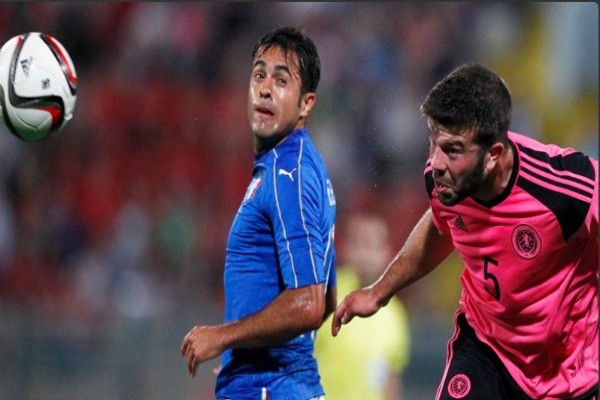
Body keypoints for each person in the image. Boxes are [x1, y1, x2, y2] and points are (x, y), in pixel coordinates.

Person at [331, 63, 599, 400]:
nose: (436, 162)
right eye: (433, 142)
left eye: (453, 150)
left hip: (566, 371)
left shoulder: (565, 187)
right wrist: (378, 292)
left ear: (493, 155)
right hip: (487, 350)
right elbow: (440, 225)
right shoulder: (445, 181)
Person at [181, 26, 337, 400]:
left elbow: (310, 303)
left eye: (281, 80)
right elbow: (328, 297)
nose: (265, 89)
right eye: (259, 75)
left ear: (306, 104)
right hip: (269, 383)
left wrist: (224, 337)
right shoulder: (297, 167)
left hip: (272, 389)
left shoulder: (289, 174)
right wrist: (246, 353)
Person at [314, 212, 411, 400]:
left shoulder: (395, 314)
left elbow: (391, 379)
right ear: (347, 249)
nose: (367, 256)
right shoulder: (326, 295)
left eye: (374, 245)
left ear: (387, 252)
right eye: (361, 244)